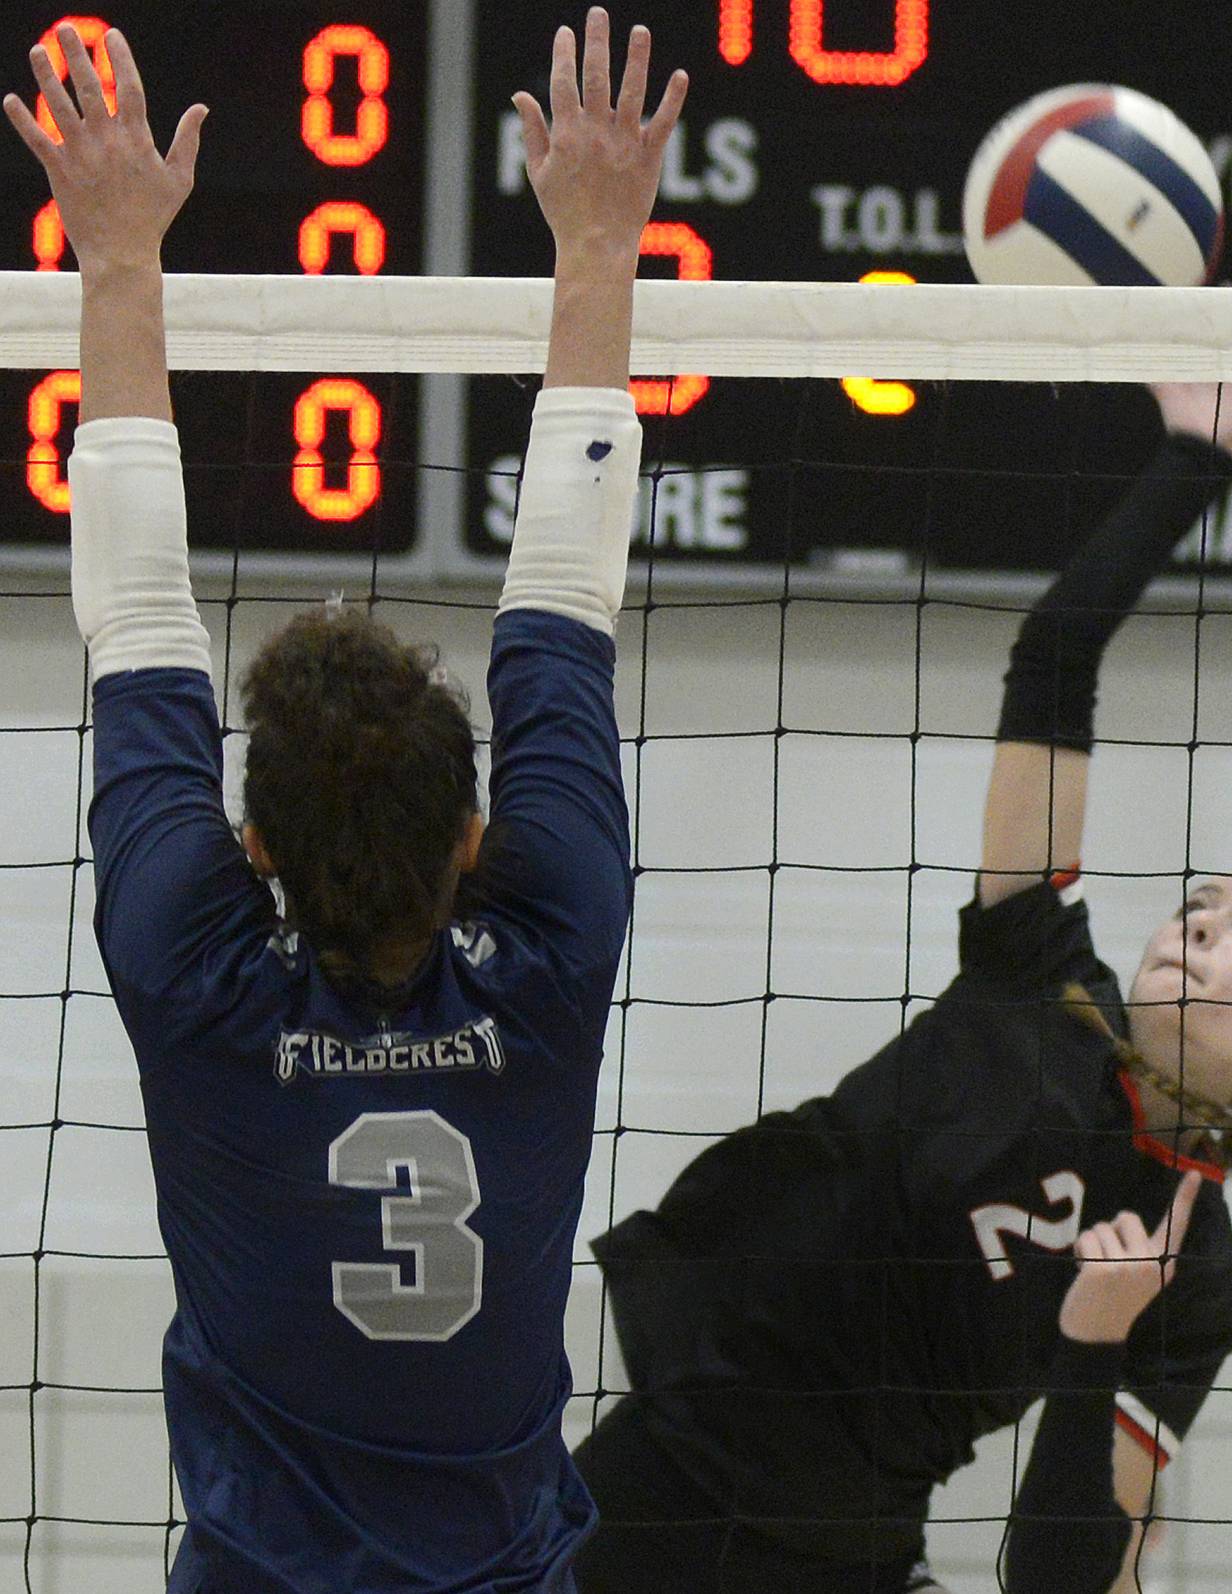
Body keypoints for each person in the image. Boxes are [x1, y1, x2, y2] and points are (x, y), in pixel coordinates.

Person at [4, 11, 685, 1591]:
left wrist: (117, 258)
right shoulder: (547, 947)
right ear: (475, 841)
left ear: (254, 852)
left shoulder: (202, 976)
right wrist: (602, 241)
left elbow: (142, 615)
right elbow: (563, 590)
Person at [571, 380, 1232, 1594]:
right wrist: (1193, 463)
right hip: (677, 1457)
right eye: (1201, 902)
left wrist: (1094, 1340)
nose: (1200, 922)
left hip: (848, 1542)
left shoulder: (1192, 1281)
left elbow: (1056, 1578)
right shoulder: (1039, 967)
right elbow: (1054, 656)